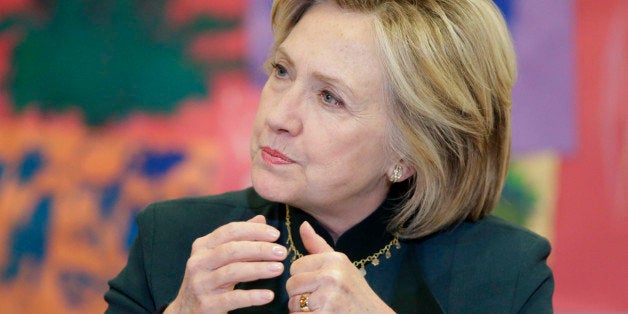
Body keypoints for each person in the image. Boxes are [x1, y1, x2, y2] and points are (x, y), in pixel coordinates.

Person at [105, 0, 554, 313]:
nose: (279, 115)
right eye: (282, 71)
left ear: (412, 150)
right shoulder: (171, 241)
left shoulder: (505, 275)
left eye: (329, 98)